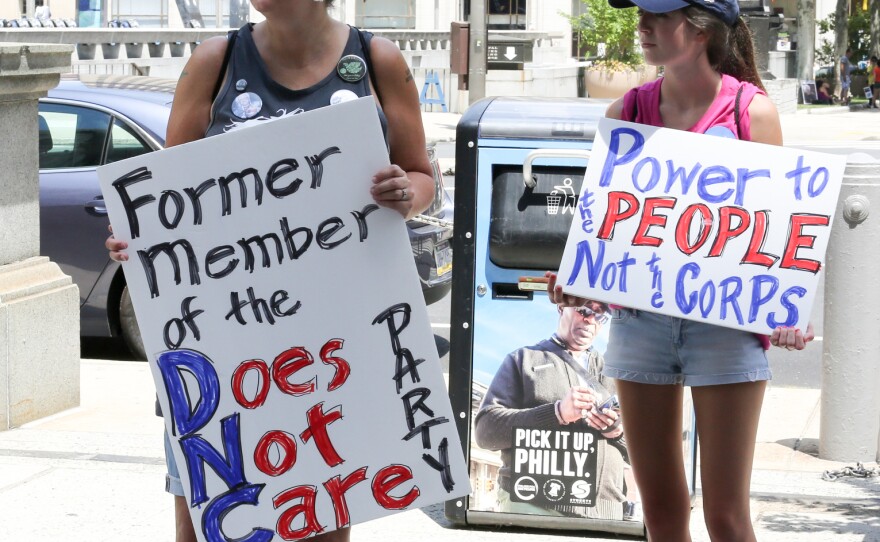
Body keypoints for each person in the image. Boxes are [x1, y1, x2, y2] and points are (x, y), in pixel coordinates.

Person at [105, 1, 435, 541]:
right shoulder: (215, 60)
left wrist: (407, 193)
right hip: (221, 346)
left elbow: (421, 176)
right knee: (211, 518)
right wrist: (135, 239)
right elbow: (163, 202)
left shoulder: (378, 59)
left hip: (336, 348)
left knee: (324, 510)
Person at [548, 0, 814, 540]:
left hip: (727, 329)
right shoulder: (627, 111)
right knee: (662, 513)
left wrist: (787, 308)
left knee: (727, 515)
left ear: (699, 31)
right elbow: (607, 220)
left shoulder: (751, 112)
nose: (643, 25)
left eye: (660, 16)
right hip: (640, 327)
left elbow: (780, 233)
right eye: (642, 13)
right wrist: (577, 278)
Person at [474, 302, 641, 521]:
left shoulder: (617, 372)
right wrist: (557, 413)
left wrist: (617, 432)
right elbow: (486, 431)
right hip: (532, 506)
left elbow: (647, 451)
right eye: (585, 311)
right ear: (562, 307)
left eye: (600, 317)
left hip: (605, 516)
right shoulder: (523, 359)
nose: (591, 321)